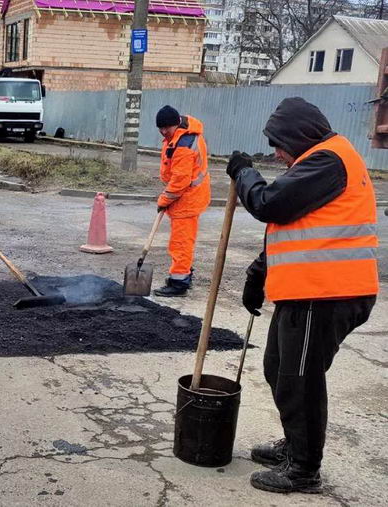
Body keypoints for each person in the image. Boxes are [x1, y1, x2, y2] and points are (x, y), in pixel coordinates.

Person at [226, 97, 378, 494]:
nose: (277, 153)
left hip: (327, 293)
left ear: (298, 135)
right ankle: (296, 445)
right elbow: (291, 227)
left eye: (279, 144)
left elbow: (270, 204)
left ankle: (304, 469)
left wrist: (244, 172)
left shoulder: (329, 160)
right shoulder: (317, 162)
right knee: (278, 368)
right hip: (308, 292)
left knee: (300, 380)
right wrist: (258, 274)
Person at [153, 105, 211, 297]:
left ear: (175, 124)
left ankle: (179, 282)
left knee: (180, 243)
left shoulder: (185, 144)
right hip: (187, 196)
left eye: (166, 128)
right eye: (160, 128)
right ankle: (185, 272)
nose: (163, 132)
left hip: (187, 199)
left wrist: (164, 199)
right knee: (183, 241)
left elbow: (180, 180)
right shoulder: (181, 134)